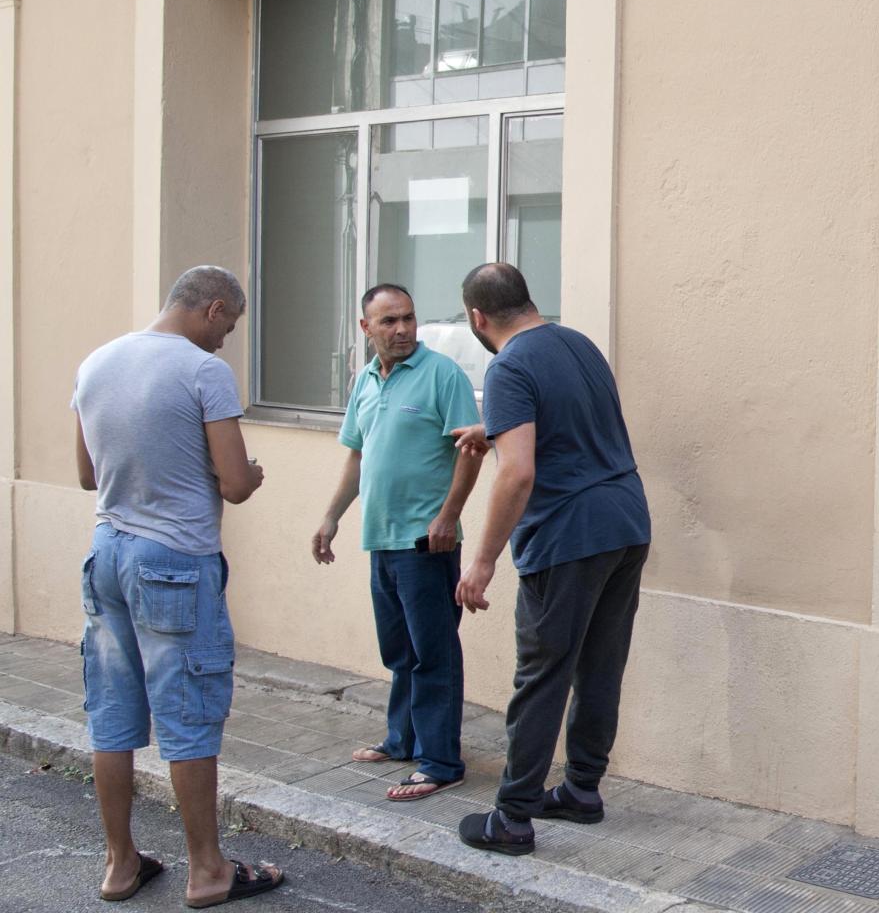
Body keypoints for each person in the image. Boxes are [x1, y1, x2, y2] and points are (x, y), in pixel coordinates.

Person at [72, 265, 284, 906]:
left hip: (107, 551)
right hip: (174, 560)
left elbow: (86, 474)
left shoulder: (96, 362)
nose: (228, 340)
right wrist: (253, 472)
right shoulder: (202, 371)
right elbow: (232, 483)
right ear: (213, 308)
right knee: (188, 714)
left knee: (113, 716)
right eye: (231, 325)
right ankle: (208, 869)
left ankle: (120, 864)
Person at [448, 263, 651, 856]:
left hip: (568, 536)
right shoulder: (577, 344)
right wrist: (494, 427)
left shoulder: (508, 365)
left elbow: (519, 472)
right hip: (626, 522)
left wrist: (482, 560)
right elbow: (568, 422)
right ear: (528, 300)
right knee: (600, 665)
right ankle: (582, 791)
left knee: (542, 675)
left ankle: (512, 818)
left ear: (477, 318)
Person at [311, 284, 484, 801]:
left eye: (408, 318)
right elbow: (357, 457)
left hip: (426, 541)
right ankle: (402, 739)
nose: (402, 329)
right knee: (399, 650)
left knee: (433, 652)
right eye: (388, 321)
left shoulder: (442, 375)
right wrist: (330, 517)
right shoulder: (365, 381)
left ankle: (441, 761)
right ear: (366, 329)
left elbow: (470, 452)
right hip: (380, 538)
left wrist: (448, 517)